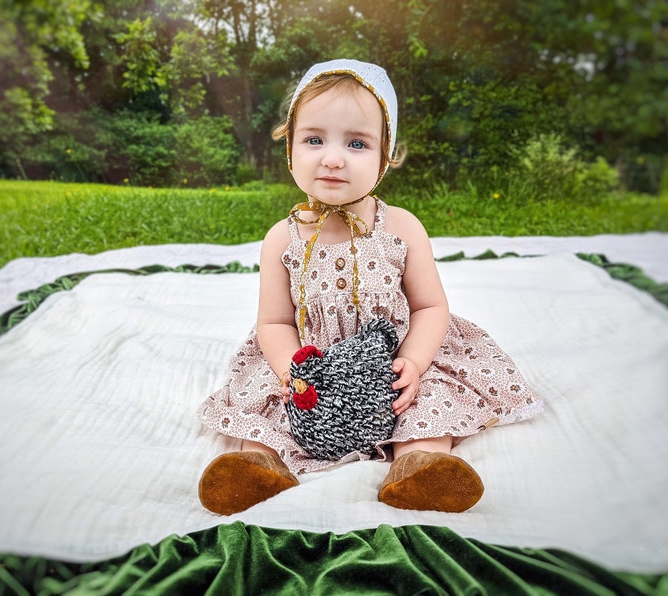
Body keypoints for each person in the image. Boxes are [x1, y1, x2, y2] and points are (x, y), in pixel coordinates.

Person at [196, 59, 542, 516]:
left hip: (390, 361)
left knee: (429, 395)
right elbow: (275, 321)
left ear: (385, 155)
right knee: (260, 399)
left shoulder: (401, 227)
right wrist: (289, 371)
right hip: (309, 370)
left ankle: (422, 464)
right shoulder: (282, 238)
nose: (333, 157)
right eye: (314, 139)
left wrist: (414, 363)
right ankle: (256, 467)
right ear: (290, 147)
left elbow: (430, 308)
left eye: (356, 143)